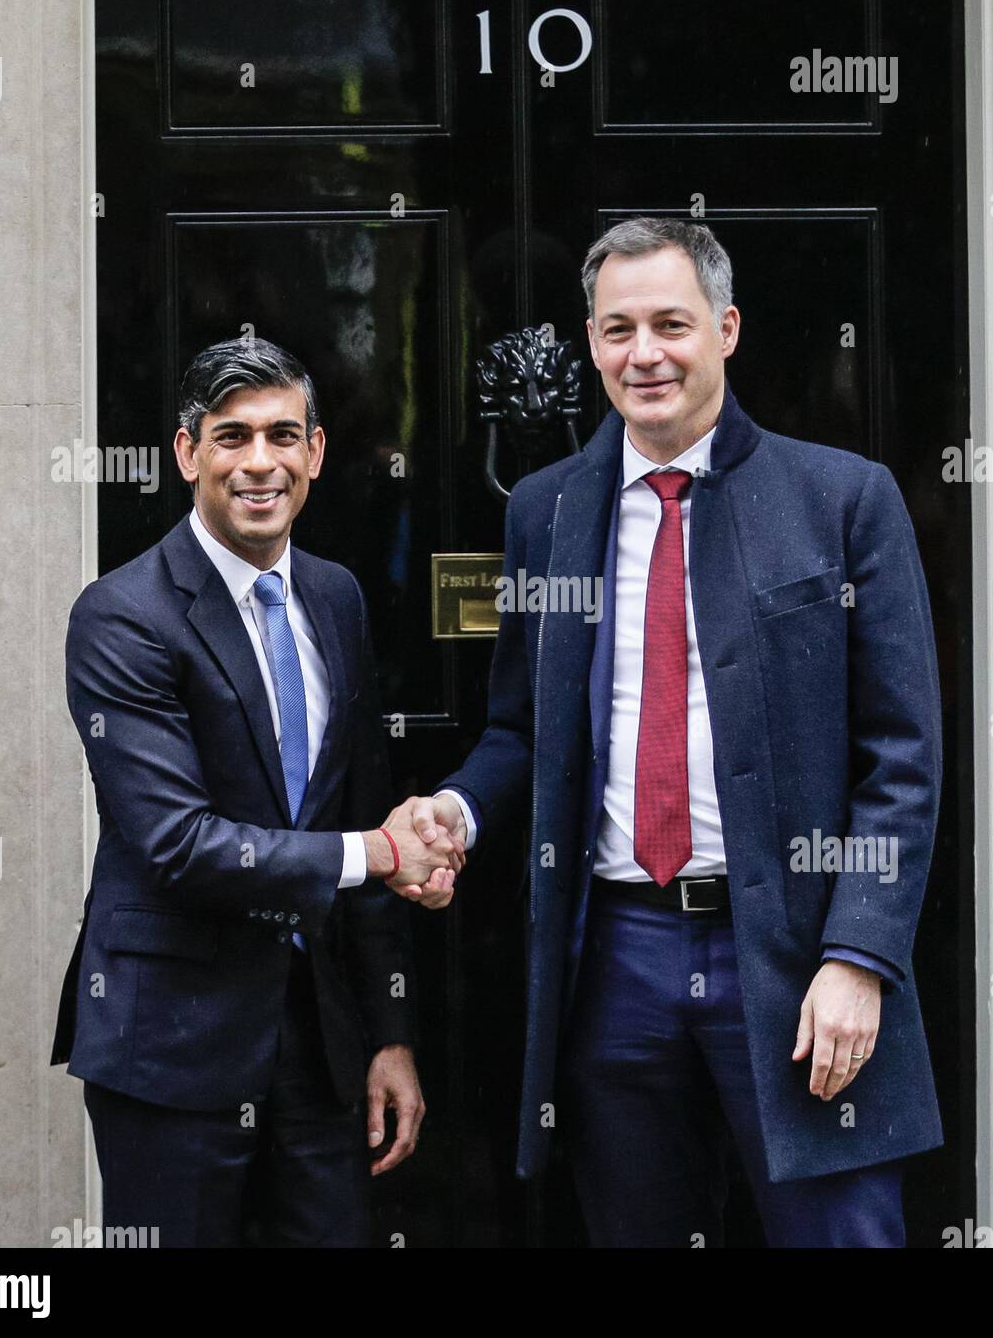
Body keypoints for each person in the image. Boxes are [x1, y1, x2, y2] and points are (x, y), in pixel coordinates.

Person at [398, 218, 945, 1246]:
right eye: (616, 329)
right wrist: (458, 809)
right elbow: (522, 726)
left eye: (669, 324)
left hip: (792, 953)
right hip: (617, 957)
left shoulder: (839, 500)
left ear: (726, 329)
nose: (642, 353)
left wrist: (861, 953)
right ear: (592, 341)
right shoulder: (548, 512)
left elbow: (900, 756)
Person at [51, 337, 459, 1247]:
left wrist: (389, 1033)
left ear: (315, 451)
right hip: (173, 1049)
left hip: (322, 1055)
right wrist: (384, 854)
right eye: (232, 438)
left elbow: (362, 805)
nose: (260, 462)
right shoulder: (121, 615)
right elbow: (180, 845)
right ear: (188, 453)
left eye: (283, 435)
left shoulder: (337, 596)